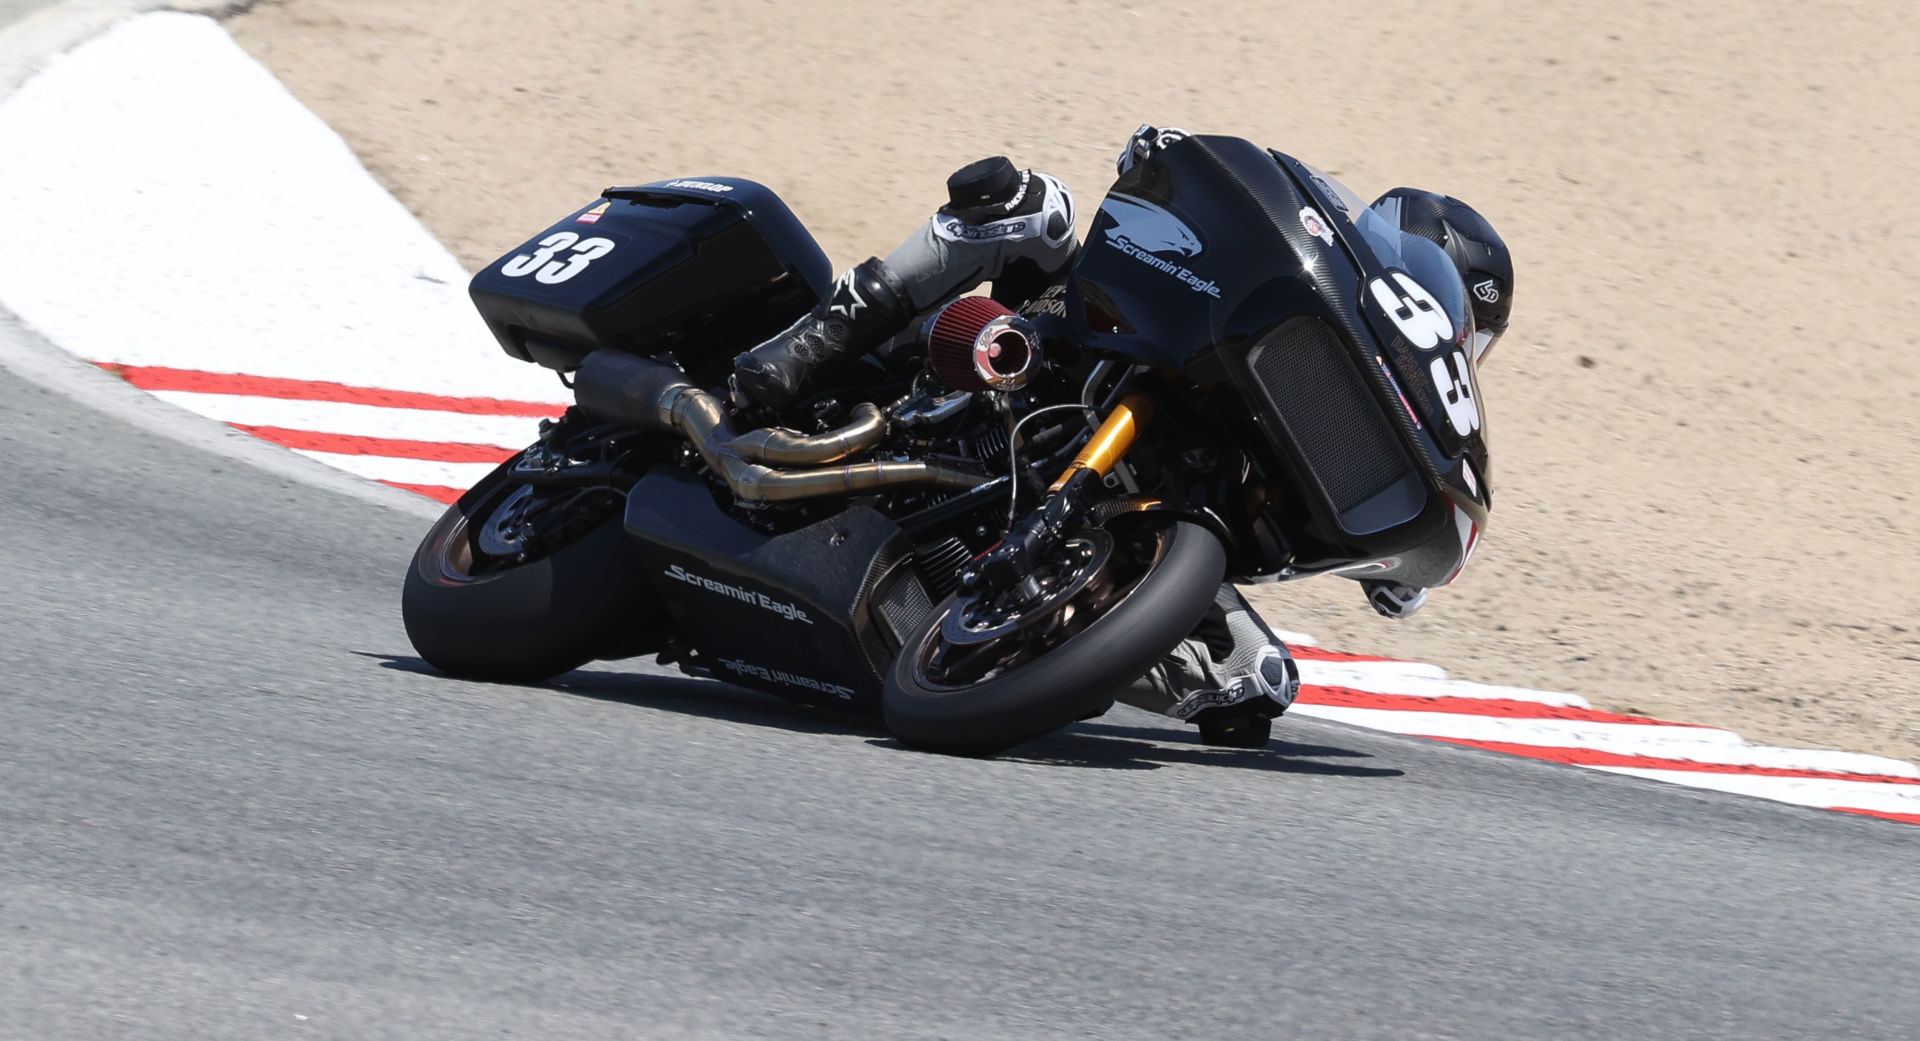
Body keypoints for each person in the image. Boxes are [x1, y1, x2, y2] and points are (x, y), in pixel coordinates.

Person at [730, 126, 1514, 747]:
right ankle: (805, 346)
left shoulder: (1379, 418)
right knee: (1035, 207)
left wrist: (1394, 562)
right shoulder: (1315, 263)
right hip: (1060, 352)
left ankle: (1007, 636)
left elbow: (1391, 582)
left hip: (1151, 503)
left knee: (1257, 680)